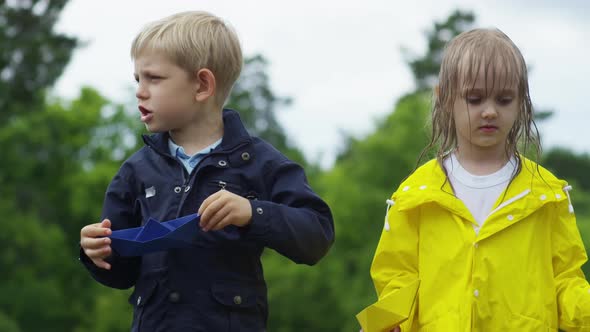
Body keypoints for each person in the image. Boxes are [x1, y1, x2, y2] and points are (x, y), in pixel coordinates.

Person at [79, 11, 334, 331]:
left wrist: (252, 212)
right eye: (137, 79)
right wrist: (96, 252)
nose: (140, 91)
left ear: (202, 85)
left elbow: (317, 234)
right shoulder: (135, 172)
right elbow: (120, 274)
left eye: (153, 78)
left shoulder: (259, 162)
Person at [368, 28, 590, 331]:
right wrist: (382, 322)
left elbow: (566, 282)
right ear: (445, 99)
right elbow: (397, 278)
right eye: (474, 99)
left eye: (504, 99)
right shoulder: (415, 195)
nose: (489, 111)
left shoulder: (547, 195)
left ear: (521, 102)